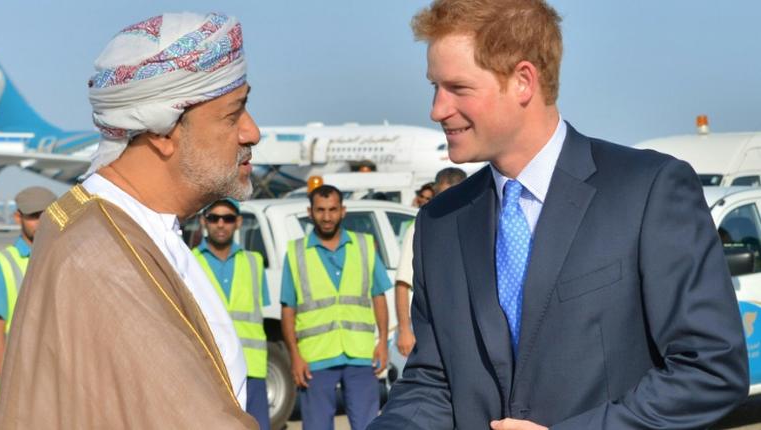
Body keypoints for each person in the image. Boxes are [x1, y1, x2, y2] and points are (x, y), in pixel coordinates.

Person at [370, 0, 748, 429]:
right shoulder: (439, 223)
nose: (437, 109)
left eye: (457, 88)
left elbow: (711, 370)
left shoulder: (648, 190)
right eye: (434, 87)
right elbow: (432, 383)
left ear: (523, 81)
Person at [0, 12, 261, 429]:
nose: (252, 132)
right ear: (161, 132)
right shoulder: (101, 256)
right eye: (233, 115)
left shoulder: (128, 228)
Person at [280, 185, 392, 430]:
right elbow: (288, 308)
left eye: (332, 210)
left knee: (369, 425)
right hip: (315, 357)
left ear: (343, 211)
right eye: (320, 210)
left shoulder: (365, 245)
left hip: (360, 354)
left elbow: (379, 296)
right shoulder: (295, 253)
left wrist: (382, 342)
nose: (327, 216)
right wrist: (295, 356)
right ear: (310, 212)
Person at [192, 198, 271, 430]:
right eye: (213, 218)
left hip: (251, 368)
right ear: (203, 221)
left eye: (227, 218)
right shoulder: (189, 261)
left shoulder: (254, 262)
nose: (220, 224)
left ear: (238, 222)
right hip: (209, 370)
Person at [0, 186, 56, 401]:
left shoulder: (60, 259)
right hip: (19, 388)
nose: (41, 222)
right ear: (17, 217)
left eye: (46, 214)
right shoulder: (0, 265)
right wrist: (9, 394)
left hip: (54, 385)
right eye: (34, 216)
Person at [395, 168, 465, 357]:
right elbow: (403, 283)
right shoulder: (421, 229)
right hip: (431, 329)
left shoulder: (477, 226)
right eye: (442, 195)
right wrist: (405, 330)